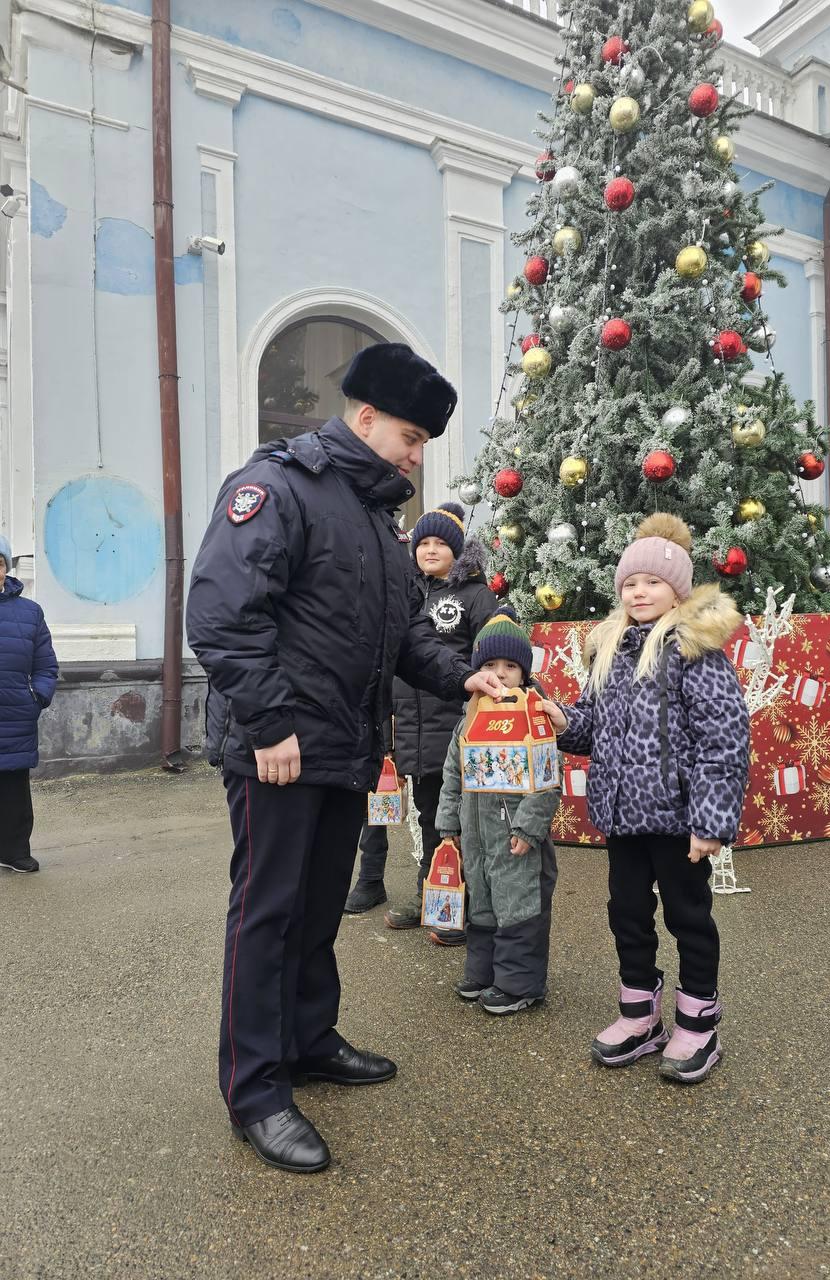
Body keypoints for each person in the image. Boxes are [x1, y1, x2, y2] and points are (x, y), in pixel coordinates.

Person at [186, 343, 504, 1175]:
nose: (417, 454)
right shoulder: (278, 487)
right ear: (365, 419)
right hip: (281, 751)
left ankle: (308, 1038)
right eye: (410, 435)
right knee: (267, 914)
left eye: (425, 443)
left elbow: (398, 636)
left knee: (320, 906)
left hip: (341, 751)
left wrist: (463, 678)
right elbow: (223, 616)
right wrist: (268, 726)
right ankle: (254, 1088)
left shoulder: (373, 516)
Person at [540, 514, 749, 1083]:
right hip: (623, 816)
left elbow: (723, 739)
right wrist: (564, 720)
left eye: (652, 583)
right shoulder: (610, 650)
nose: (639, 591)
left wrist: (709, 821)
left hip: (678, 821)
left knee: (688, 916)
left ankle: (698, 1020)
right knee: (627, 913)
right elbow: (595, 727)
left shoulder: (694, 652)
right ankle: (640, 1015)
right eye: (630, 583)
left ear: (677, 589)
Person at [343, 502, 498, 945]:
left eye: (440, 544)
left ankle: (459, 908)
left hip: (450, 727)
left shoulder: (474, 595)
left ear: (458, 551)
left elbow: (490, 652)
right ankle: (430, 897)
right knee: (423, 818)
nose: (430, 550)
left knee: (448, 819)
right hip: (405, 726)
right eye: (423, 543)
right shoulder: (406, 594)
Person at [435, 608, 560, 1015]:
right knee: (483, 903)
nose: (501, 673)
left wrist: (528, 827)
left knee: (518, 904)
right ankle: (483, 970)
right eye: (490, 665)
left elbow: (545, 780)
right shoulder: (468, 720)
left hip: (515, 836)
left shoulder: (533, 715)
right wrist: (448, 822)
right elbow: (453, 773)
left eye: (510, 666)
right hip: (475, 835)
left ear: (523, 674)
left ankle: (519, 982)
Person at [0, 535, 58, 874]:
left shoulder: (30, 613)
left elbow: (46, 665)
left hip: (14, 715)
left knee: (13, 792)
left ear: (7, 568)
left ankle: (14, 850)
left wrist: (37, 697)